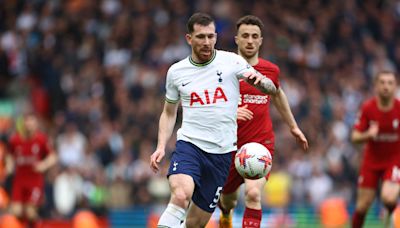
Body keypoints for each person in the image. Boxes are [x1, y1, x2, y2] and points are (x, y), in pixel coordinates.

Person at [149, 12, 278, 228]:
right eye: (201, 37)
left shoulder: (232, 62)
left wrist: (262, 82)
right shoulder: (176, 72)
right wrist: (161, 146)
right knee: (181, 196)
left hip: (222, 155)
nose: (207, 42)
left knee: (194, 224)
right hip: (190, 146)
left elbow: (271, 88)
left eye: (211, 36)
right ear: (189, 39)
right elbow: (169, 112)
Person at [217, 15, 309, 228]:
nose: (250, 41)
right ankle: (226, 215)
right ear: (236, 40)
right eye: (245, 36)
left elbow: (277, 93)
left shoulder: (271, 70)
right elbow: (210, 102)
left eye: (255, 36)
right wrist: (231, 111)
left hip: (260, 143)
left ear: (261, 41)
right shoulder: (222, 70)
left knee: (253, 193)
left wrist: (293, 126)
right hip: (228, 145)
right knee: (228, 200)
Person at [351, 70, 400, 228]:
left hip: (394, 160)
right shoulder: (368, 108)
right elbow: (355, 137)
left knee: (389, 198)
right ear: (376, 86)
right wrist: (368, 135)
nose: (386, 86)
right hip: (371, 162)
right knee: (362, 207)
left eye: (390, 83)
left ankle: (389, 214)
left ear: (395, 86)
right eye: (383, 82)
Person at [5, 113, 57, 227]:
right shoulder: (15, 140)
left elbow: (53, 156)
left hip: (34, 180)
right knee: (16, 211)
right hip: (19, 180)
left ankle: (40, 225)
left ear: (36, 124)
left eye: (31, 121)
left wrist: (43, 164)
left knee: (30, 211)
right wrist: (9, 165)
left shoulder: (41, 139)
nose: (29, 124)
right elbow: (9, 155)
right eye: (26, 121)